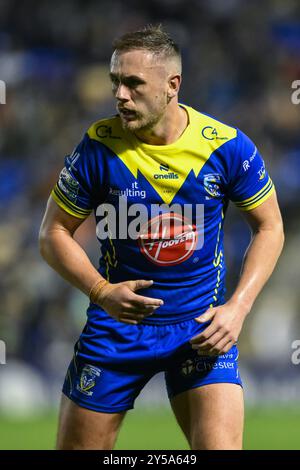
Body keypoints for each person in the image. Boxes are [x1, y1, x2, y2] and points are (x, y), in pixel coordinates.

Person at [39, 25, 284, 450]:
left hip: (201, 330)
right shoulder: (97, 147)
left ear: (173, 86)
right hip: (117, 328)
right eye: (115, 82)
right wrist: (100, 291)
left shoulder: (226, 147)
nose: (120, 95)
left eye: (133, 83)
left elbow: (271, 226)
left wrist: (238, 308)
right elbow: (52, 233)